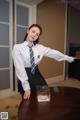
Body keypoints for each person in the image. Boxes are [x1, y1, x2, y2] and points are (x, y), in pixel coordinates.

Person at [12, 24, 74, 100]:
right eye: (33, 31)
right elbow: (19, 68)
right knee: (29, 99)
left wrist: (67, 58)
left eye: (37, 34)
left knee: (44, 96)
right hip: (25, 74)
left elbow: (53, 52)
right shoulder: (17, 47)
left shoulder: (39, 48)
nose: (34, 35)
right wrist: (26, 86)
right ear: (28, 31)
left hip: (36, 73)